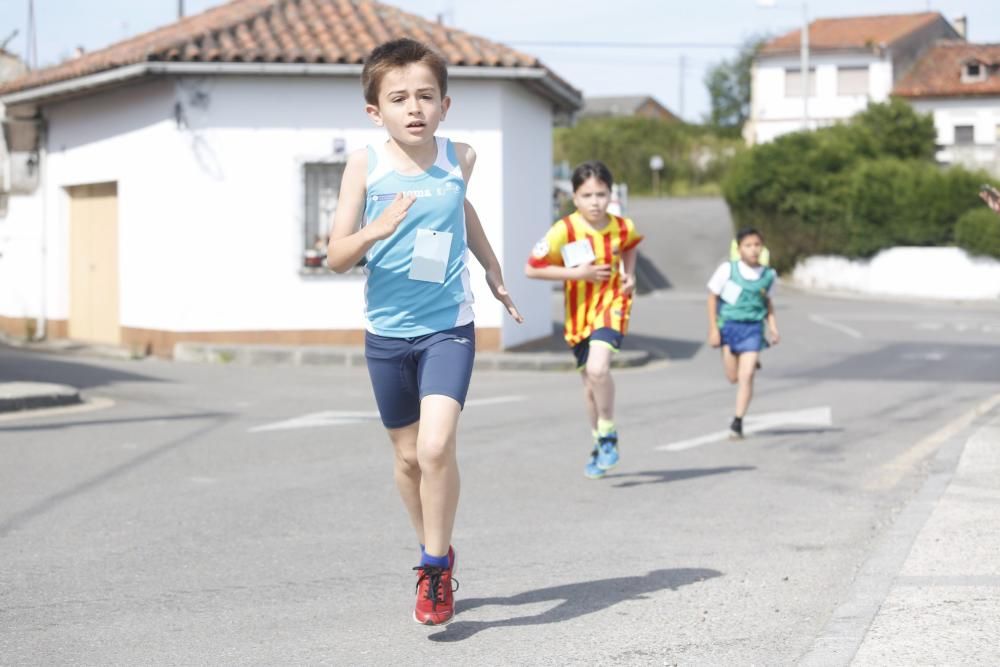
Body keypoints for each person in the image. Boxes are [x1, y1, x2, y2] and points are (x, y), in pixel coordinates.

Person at [325, 38, 523, 626]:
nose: (414, 108)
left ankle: (435, 570)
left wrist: (490, 267)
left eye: (426, 96)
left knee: (436, 447)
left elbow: (462, 208)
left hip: (448, 328)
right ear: (374, 111)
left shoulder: (459, 157)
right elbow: (336, 255)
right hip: (387, 333)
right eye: (399, 98)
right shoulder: (365, 164)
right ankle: (431, 546)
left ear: (445, 104)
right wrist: (374, 230)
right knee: (408, 458)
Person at [525, 161, 643, 479]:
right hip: (578, 316)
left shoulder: (622, 226)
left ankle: (607, 432)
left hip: (612, 305)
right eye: (587, 195)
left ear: (611, 194)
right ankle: (599, 442)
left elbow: (630, 247)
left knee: (597, 368)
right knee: (590, 386)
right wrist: (577, 274)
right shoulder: (564, 230)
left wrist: (628, 275)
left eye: (601, 194)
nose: (595, 202)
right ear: (574, 197)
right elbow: (532, 268)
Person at [707, 227, 780, 439]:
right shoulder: (727, 270)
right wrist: (713, 329)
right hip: (729, 326)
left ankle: (737, 421)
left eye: (757, 245)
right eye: (748, 245)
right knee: (732, 377)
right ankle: (748, 361)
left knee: (746, 376)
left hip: (753, 328)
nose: (753, 250)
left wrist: (773, 328)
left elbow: (768, 303)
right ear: (739, 249)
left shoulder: (768, 275)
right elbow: (712, 297)